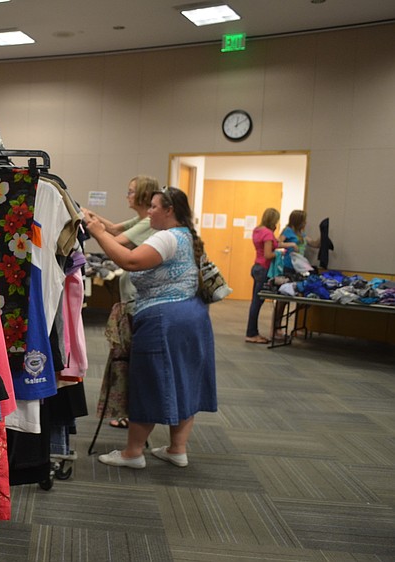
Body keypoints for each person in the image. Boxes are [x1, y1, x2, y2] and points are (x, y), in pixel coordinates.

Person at [84, 186, 216, 469]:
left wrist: (98, 232)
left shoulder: (168, 238)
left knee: (148, 382)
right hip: (192, 317)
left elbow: (129, 261)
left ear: (169, 210)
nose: (150, 212)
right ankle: (177, 448)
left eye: (155, 207)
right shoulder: (185, 236)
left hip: (165, 322)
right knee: (184, 381)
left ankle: (133, 453)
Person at [82, 175, 158, 430]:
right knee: (125, 359)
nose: (127, 195)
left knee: (128, 361)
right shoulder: (142, 219)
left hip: (138, 303)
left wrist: (94, 228)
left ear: (144, 195)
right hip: (131, 301)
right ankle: (128, 411)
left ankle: (131, 413)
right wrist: (91, 216)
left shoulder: (149, 221)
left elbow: (115, 242)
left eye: (131, 191)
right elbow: (114, 229)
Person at [245, 208, 297, 344]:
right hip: (264, 269)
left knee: (255, 302)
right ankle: (251, 333)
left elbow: (275, 243)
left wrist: (288, 244)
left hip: (256, 266)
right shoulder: (267, 233)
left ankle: (252, 332)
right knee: (257, 302)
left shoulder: (258, 230)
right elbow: (268, 254)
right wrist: (281, 254)